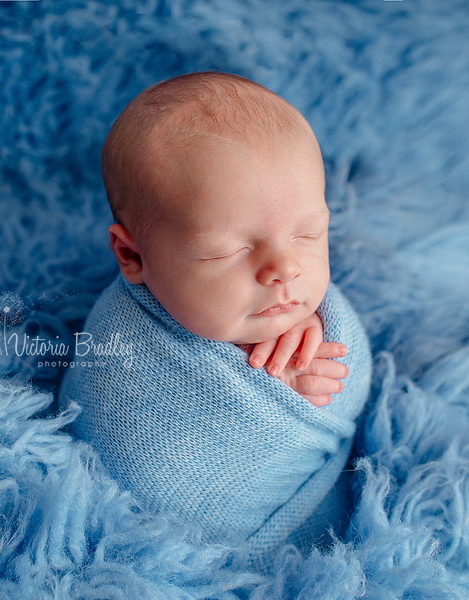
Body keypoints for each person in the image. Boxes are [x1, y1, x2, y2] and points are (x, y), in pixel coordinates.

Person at [59, 71, 371, 562]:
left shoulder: (300, 300)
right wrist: (277, 392)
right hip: (202, 560)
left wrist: (316, 342)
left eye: (308, 234)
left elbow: (354, 385)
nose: (285, 268)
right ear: (133, 257)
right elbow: (130, 464)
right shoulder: (119, 353)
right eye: (228, 251)